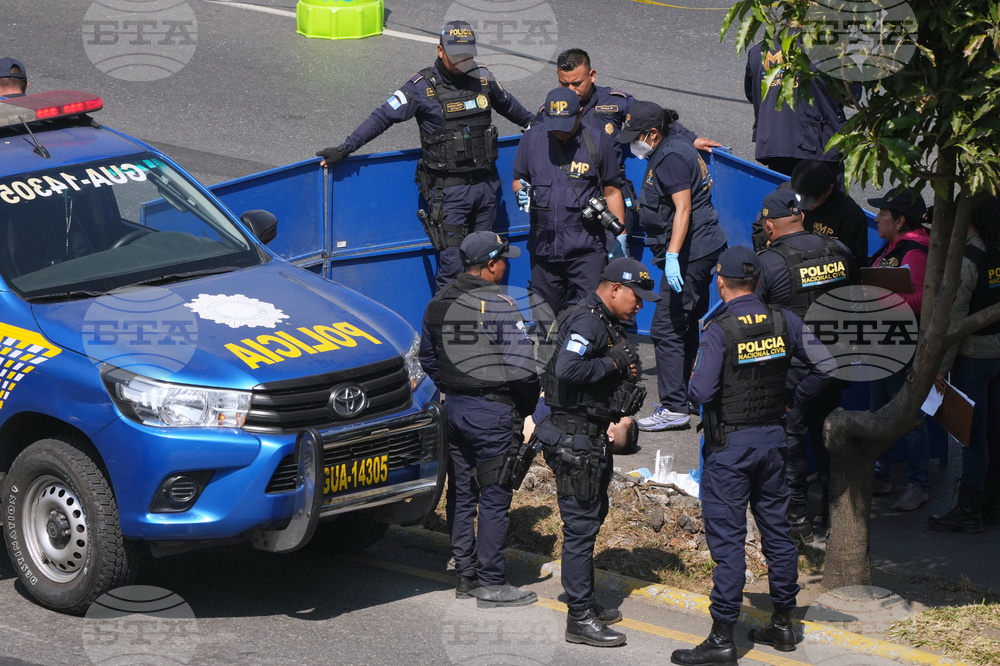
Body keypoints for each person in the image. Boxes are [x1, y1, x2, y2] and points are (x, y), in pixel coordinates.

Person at [673, 247, 832, 666]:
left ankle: (722, 637)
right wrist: (793, 398)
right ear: (757, 282)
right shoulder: (784, 320)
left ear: (720, 283)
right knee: (778, 533)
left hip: (730, 449)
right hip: (774, 444)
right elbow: (825, 364)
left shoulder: (719, 328)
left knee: (728, 542)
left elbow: (700, 391)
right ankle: (783, 624)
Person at [316, 21, 533, 291]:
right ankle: (445, 318)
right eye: (456, 56)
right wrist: (345, 148)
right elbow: (383, 117)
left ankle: (481, 317)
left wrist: (540, 125)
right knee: (453, 270)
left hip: (487, 188)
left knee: (487, 266)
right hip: (450, 195)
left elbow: (513, 109)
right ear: (440, 50)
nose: (463, 62)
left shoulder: (483, 78)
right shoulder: (421, 87)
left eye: (467, 55)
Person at [539, 257, 660, 647]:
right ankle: (579, 619)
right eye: (636, 297)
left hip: (589, 436)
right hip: (575, 439)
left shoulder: (603, 321)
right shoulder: (588, 322)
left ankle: (584, 601)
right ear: (614, 288)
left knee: (590, 520)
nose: (639, 306)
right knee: (580, 528)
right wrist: (612, 362)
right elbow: (568, 370)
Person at [418, 231, 541, 607]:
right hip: (492, 413)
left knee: (461, 493)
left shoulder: (437, 303)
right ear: (490, 265)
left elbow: (427, 359)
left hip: (455, 410)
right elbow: (523, 370)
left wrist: (453, 387)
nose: (506, 267)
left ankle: (466, 576)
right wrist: (525, 407)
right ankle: (491, 583)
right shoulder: (500, 306)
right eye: (503, 261)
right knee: (494, 497)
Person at [615, 102, 727, 432]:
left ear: (652, 133)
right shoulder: (673, 139)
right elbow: (674, 126)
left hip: (691, 253)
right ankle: (686, 396)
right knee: (684, 322)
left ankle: (674, 407)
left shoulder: (671, 158)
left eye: (636, 137)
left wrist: (674, 256)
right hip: (701, 248)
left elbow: (683, 209)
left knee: (665, 328)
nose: (633, 144)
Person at [547, 48, 722, 258]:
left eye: (577, 84)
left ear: (592, 76)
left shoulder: (613, 101)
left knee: (616, 261)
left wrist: (691, 138)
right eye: (564, 84)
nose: (571, 90)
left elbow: (652, 117)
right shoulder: (554, 108)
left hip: (611, 192)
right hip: (571, 192)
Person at [755, 189, 858, 541]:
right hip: (834, 362)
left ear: (769, 226)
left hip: (791, 369)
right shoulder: (839, 250)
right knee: (829, 435)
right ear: (800, 216)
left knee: (791, 439)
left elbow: (755, 322)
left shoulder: (768, 263)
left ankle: (796, 518)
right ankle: (835, 513)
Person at [512, 87, 624, 319]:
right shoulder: (532, 140)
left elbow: (612, 191)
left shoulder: (598, 142)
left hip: (586, 251)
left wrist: (620, 237)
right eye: (554, 125)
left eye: (565, 126)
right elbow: (519, 179)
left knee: (591, 318)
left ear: (580, 114)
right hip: (544, 250)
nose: (559, 132)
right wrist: (521, 191)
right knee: (546, 321)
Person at [929, 197, 1000, 533]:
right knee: (995, 433)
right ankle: (992, 505)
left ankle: (969, 511)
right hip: (997, 355)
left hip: (973, 359)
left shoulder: (969, 260)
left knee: (971, 436)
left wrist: (941, 368)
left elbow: (956, 321)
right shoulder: (995, 252)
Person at [867, 186, 931, 511]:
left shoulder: (914, 252)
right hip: (882, 346)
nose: (877, 218)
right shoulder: (892, 248)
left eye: (883, 213)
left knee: (910, 419)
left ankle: (919, 483)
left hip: (901, 349)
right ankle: (880, 475)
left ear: (900, 220)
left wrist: (880, 297)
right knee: (879, 413)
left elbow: (920, 300)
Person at [744, 38, 855, 179]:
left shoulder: (758, 50)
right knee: (827, 192)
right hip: (817, 145)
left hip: (775, 143)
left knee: (783, 191)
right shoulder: (826, 50)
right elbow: (852, 94)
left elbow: (753, 94)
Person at [790, 160, 870, 262]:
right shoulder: (789, 191)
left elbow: (855, 260)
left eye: (812, 199)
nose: (804, 204)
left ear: (829, 189)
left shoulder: (851, 216)